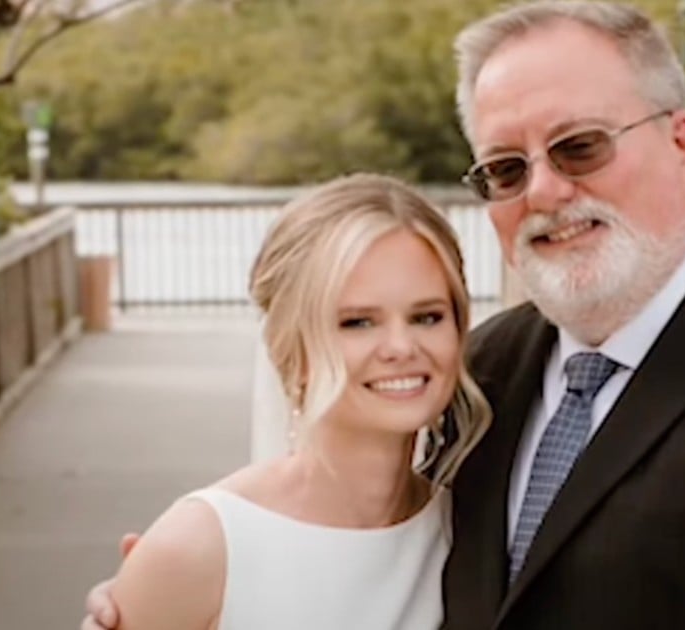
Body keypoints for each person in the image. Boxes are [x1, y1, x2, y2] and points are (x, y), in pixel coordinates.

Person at [86, 2, 685, 628]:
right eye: (507, 169)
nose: (548, 191)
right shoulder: (485, 369)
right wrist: (198, 581)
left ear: (684, 142)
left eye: (579, 147)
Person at [92, 173, 490, 629]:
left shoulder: (465, 533)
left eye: (427, 317)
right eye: (357, 322)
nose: (401, 346)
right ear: (291, 349)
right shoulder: (202, 546)